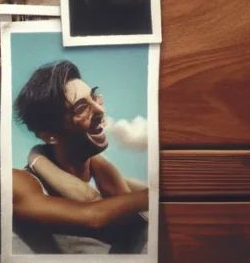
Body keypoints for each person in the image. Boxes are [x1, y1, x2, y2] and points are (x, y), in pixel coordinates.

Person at [11, 61, 150, 254]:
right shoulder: (19, 182)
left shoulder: (106, 175)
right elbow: (94, 216)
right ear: (51, 135)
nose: (100, 110)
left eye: (94, 97)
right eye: (81, 107)